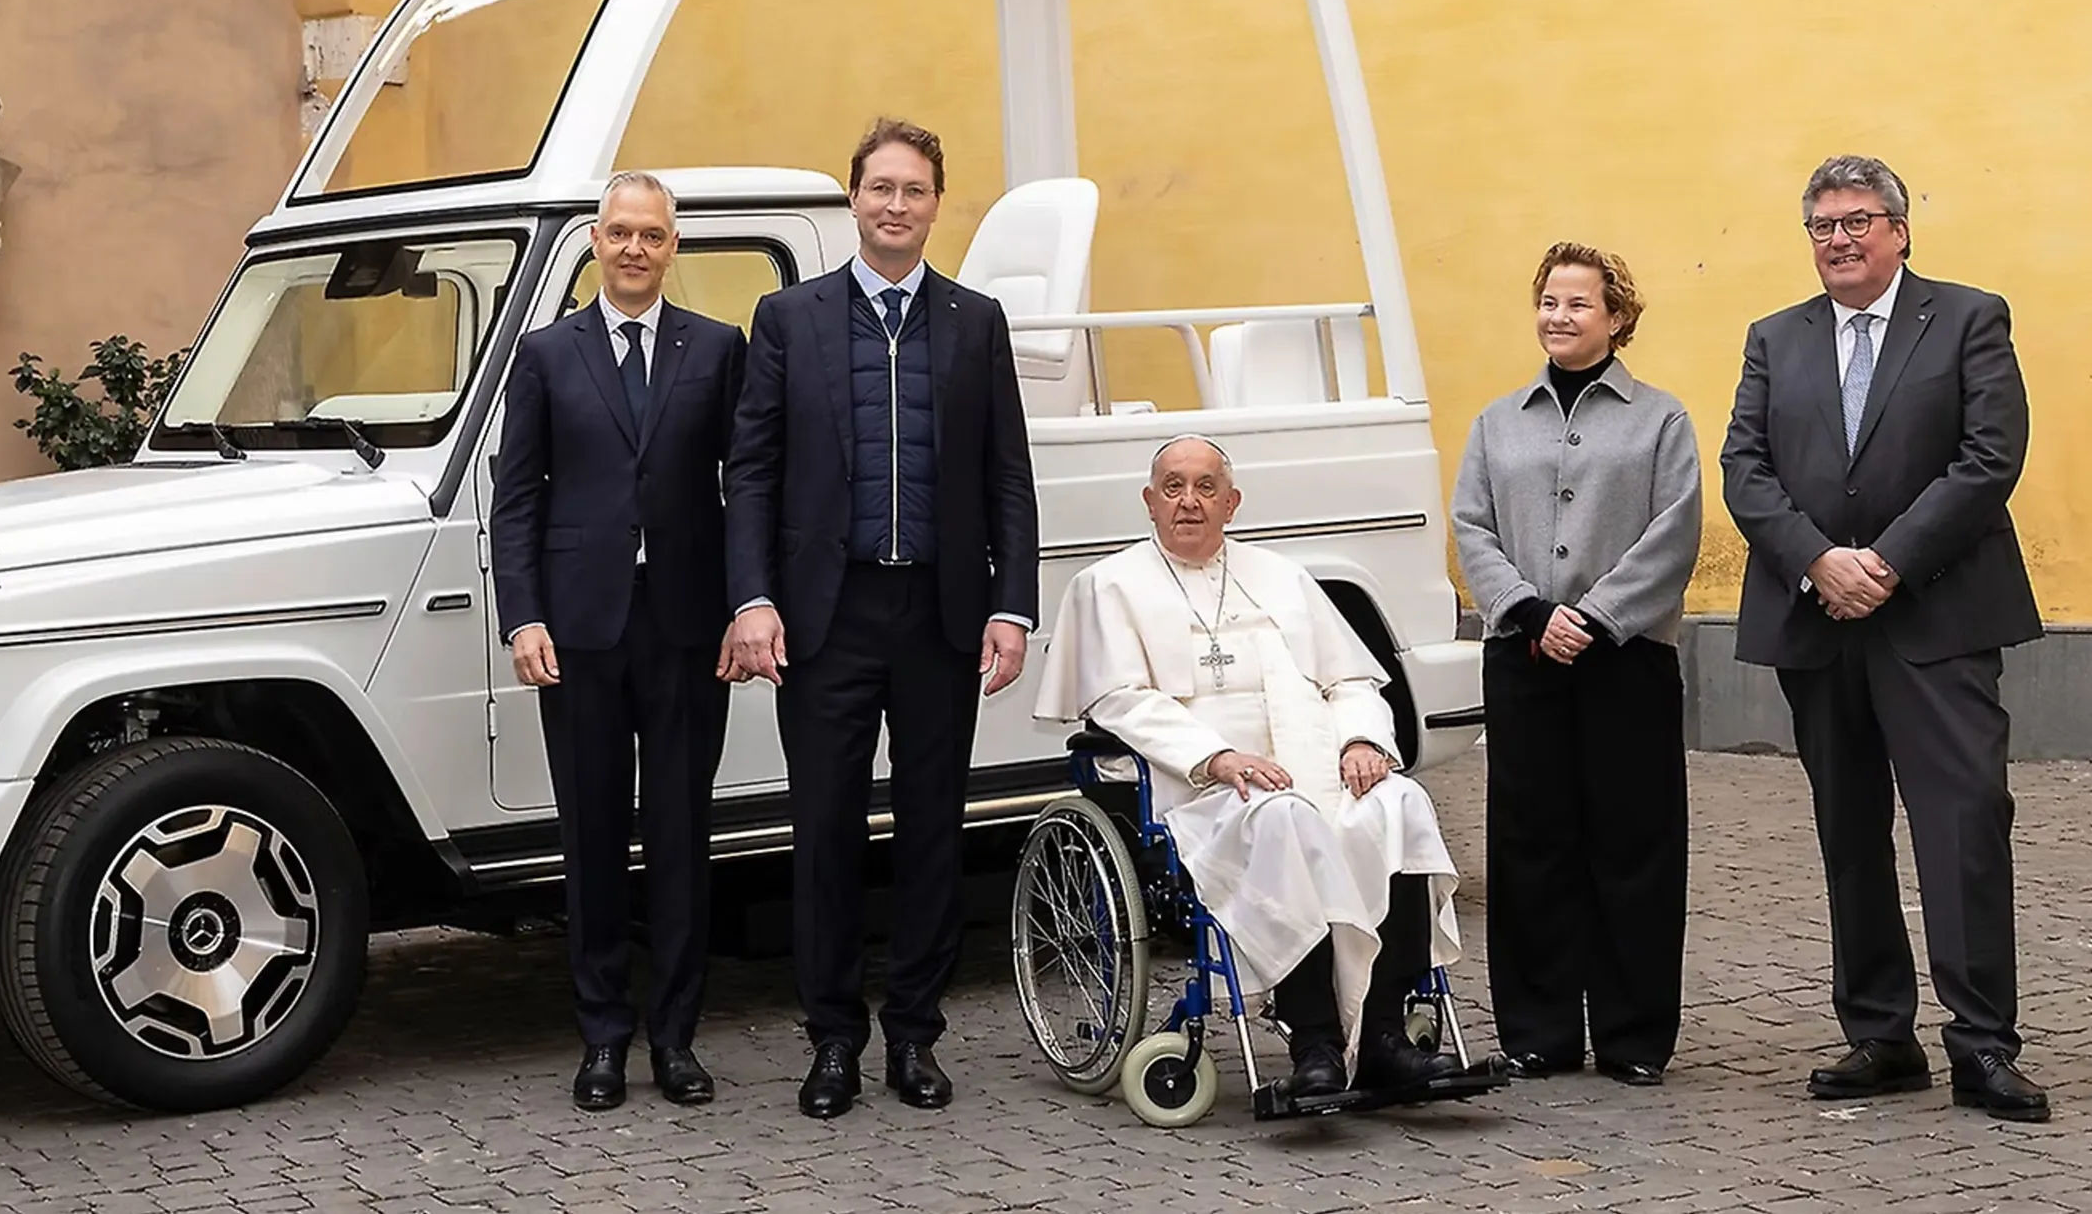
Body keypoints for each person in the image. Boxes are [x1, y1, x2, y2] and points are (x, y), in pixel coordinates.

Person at [723, 117, 1041, 1119]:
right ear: (853, 200)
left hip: (941, 613)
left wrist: (1012, 603)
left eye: (914, 189)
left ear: (936, 203)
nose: (895, 204)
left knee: (932, 830)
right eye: (879, 188)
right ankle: (832, 1039)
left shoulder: (975, 321)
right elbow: (753, 473)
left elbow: (1008, 478)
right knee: (822, 832)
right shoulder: (789, 319)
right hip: (828, 615)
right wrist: (754, 595)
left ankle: (914, 1033)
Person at [1721, 155, 2048, 1122]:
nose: (1839, 239)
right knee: (1849, 832)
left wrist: (1888, 562)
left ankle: (1982, 1042)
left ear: (1899, 230)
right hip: (1817, 621)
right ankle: (1878, 1033)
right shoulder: (1774, 338)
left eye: (1858, 221)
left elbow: (1989, 457)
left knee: (1964, 826)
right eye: (1821, 225)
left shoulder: (1967, 316)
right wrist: (1819, 561)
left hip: (1938, 617)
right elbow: (1745, 467)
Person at [1035, 436, 1465, 1097]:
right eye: (1173, 486)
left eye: (1206, 487)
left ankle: (1382, 1035)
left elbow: (1350, 678)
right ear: (1149, 501)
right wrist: (1215, 756)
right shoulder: (1109, 585)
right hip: (1202, 790)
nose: (1188, 501)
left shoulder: (1282, 576)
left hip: (1315, 769)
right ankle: (1315, 1040)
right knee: (1283, 820)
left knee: (1399, 803)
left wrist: (1358, 740)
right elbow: (1118, 697)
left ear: (1231, 502)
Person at [490, 171, 749, 1112]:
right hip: (579, 628)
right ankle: (602, 1038)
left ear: (673, 246)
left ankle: (675, 1038)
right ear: (593, 241)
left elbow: (745, 486)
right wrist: (523, 616)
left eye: (653, 234)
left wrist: (744, 604)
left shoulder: (718, 348)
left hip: (686, 626)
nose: (635, 248)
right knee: (592, 836)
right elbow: (515, 496)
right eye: (620, 232)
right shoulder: (545, 353)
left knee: (682, 835)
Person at [1450, 242, 1701, 1087]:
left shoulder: (1659, 419)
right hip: (1521, 656)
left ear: (1617, 317)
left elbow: (1674, 532)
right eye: (1548, 301)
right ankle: (1537, 1030)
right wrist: (1524, 609)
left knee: (1634, 844)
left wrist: (1592, 617)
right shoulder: (1495, 421)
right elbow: (1471, 526)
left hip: (1624, 658)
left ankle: (1633, 1036)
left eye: (1578, 303)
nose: (1558, 316)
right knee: (1531, 845)